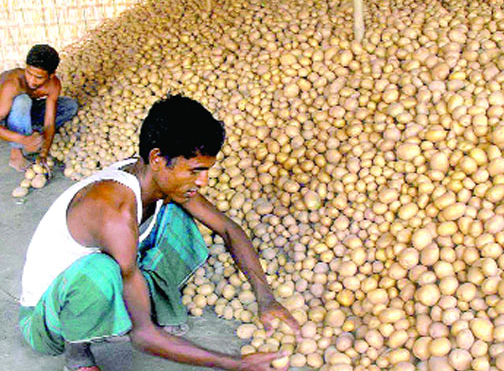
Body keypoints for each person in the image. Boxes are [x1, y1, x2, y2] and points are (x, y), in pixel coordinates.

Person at [19, 95, 300, 371]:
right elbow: (143, 337)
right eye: (195, 170)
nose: (203, 181)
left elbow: (228, 229)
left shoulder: (156, 178)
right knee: (102, 271)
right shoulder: (113, 209)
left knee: (178, 213)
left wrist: (266, 298)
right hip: (47, 319)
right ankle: (78, 358)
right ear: (157, 158)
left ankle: (145, 305)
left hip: (90, 289)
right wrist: (233, 363)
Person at [0, 44, 78, 172]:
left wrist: (44, 152)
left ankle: (30, 132)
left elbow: (49, 122)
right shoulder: (13, 84)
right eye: (29, 73)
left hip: (26, 109)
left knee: (70, 106)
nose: (31, 80)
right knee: (22, 101)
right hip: (4, 110)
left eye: (39, 77)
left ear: (51, 75)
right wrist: (23, 140)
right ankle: (16, 153)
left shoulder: (53, 85)